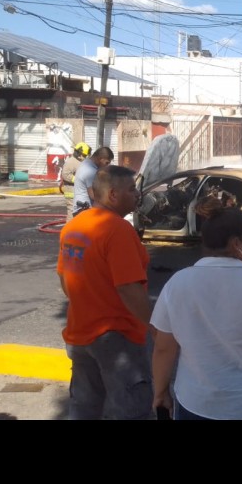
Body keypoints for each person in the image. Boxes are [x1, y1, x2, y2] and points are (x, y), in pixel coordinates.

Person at [151, 198, 242, 420]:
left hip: (196, 401)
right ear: (236, 244)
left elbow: (164, 347)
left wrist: (160, 392)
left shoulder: (177, 283)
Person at [56, 165, 153, 420]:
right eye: (132, 189)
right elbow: (128, 287)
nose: (137, 194)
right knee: (130, 409)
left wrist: (88, 303)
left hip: (80, 333)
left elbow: (65, 280)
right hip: (117, 337)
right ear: (113, 195)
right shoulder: (117, 229)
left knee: (84, 406)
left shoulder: (73, 227)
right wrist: (154, 326)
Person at [72, 146, 114, 217]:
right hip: (85, 210)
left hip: (80, 209)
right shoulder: (90, 171)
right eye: (106, 163)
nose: (107, 166)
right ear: (100, 159)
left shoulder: (85, 163)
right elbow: (93, 195)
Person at [59, 142, 91, 222]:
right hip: (71, 191)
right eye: (84, 155)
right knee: (72, 212)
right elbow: (65, 174)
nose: (85, 157)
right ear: (79, 154)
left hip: (78, 191)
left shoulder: (79, 161)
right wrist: (78, 180)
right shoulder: (71, 162)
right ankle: (69, 228)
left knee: (80, 212)